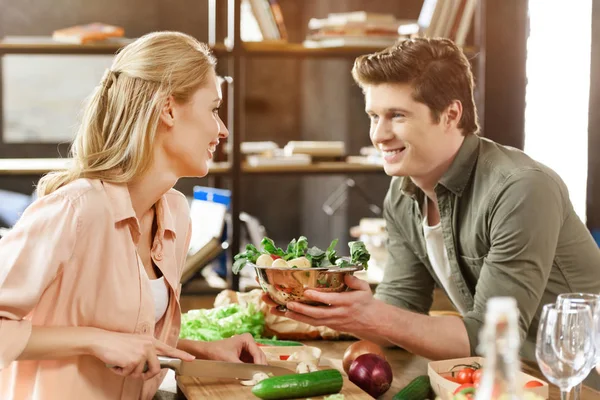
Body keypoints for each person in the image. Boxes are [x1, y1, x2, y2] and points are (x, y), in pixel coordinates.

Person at [263, 37, 600, 363]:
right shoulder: (403, 192)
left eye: (397, 115)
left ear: (451, 115)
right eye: (373, 116)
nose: (379, 134)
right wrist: (331, 310)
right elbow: (401, 305)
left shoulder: (520, 189)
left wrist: (372, 315)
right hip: (506, 378)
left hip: (581, 379)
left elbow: (491, 337)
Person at [0, 31, 266, 400]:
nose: (222, 130)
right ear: (169, 109)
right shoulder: (74, 211)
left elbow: (130, 340)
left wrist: (195, 351)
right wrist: (94, 340)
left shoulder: (174, 212)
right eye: (214, 108)